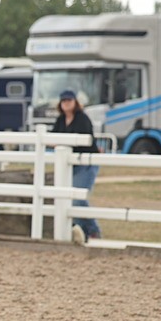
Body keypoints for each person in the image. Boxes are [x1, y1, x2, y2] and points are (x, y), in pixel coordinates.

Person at [51, 90, 101, 243]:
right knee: (67, 199)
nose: (66, 103)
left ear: (75, 102)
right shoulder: (60, 120)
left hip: (85, 162)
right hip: (69, 164)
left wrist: (63, 144)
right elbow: (53, 138)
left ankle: (93, 230)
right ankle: (81, 232)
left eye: (69, 100)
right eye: (64, 100)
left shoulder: (82, 118)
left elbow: (85, 140)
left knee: (77, 198)